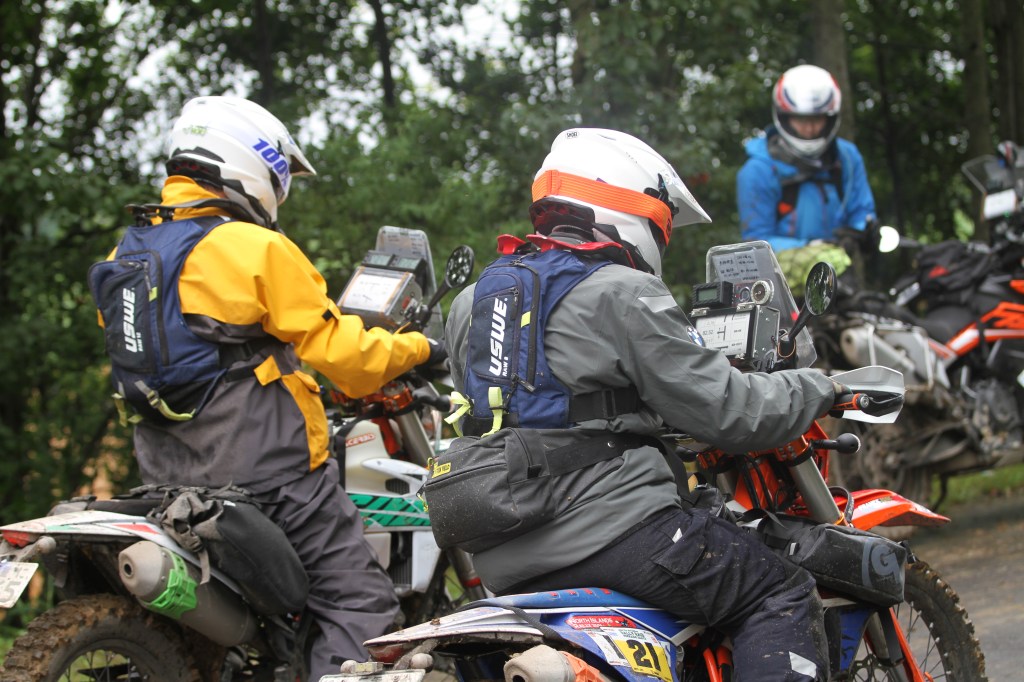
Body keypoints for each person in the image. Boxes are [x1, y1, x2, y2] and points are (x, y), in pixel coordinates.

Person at [443, 128, 847, 681]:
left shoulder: (474, 299)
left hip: (503, 552)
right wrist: (821, 387)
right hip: (613, 532)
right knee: (779, 590)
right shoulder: (621, 291)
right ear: (630, 205)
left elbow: (526, 406)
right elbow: (732, 411)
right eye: (662, 222)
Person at [89, 96, 443, 677]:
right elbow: (347, 359)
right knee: (357, 601)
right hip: (269, 476)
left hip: (166, 476)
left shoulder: (128, 252)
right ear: (254, 165)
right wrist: (422, 348)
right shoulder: (252, 246)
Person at [738, 64, 876, 252]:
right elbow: (756, 242)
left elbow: (861, 210)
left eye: (817, 119)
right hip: (782, 267)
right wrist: (812, 248)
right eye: (801, 119)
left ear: (830, 118)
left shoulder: (847, 157)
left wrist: (861, 231)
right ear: (785, 117)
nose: (810, 128)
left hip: (839, 263)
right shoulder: (758, 171)